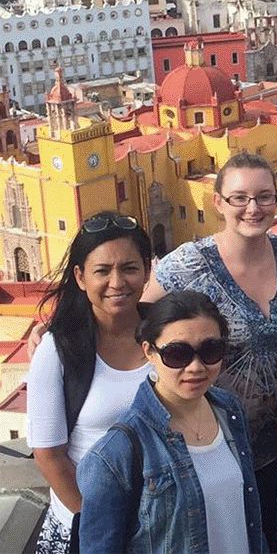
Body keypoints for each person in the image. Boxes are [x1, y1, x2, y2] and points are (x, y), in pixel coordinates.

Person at [144, 152, 277, 550]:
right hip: (219, 445)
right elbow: (136, 316)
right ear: (218, 202)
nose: (253, 208)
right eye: (239, 198)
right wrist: (58, 331)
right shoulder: (190, 264)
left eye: (264, 197)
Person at [77, 291, 264, 553]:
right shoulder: (117, 453)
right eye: (177, 354)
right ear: (149, 352)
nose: (196, 367)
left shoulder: (229, 411)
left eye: (211, 350)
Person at [26, 212, 153, 553]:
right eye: (102, 271)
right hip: (88, 530)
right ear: (81, 277)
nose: (117, 282)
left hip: (161, 524)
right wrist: (99, 524)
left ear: (147, 270)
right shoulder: (58, 350)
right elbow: (49, 456)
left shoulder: (167, 333)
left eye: (129, 268)